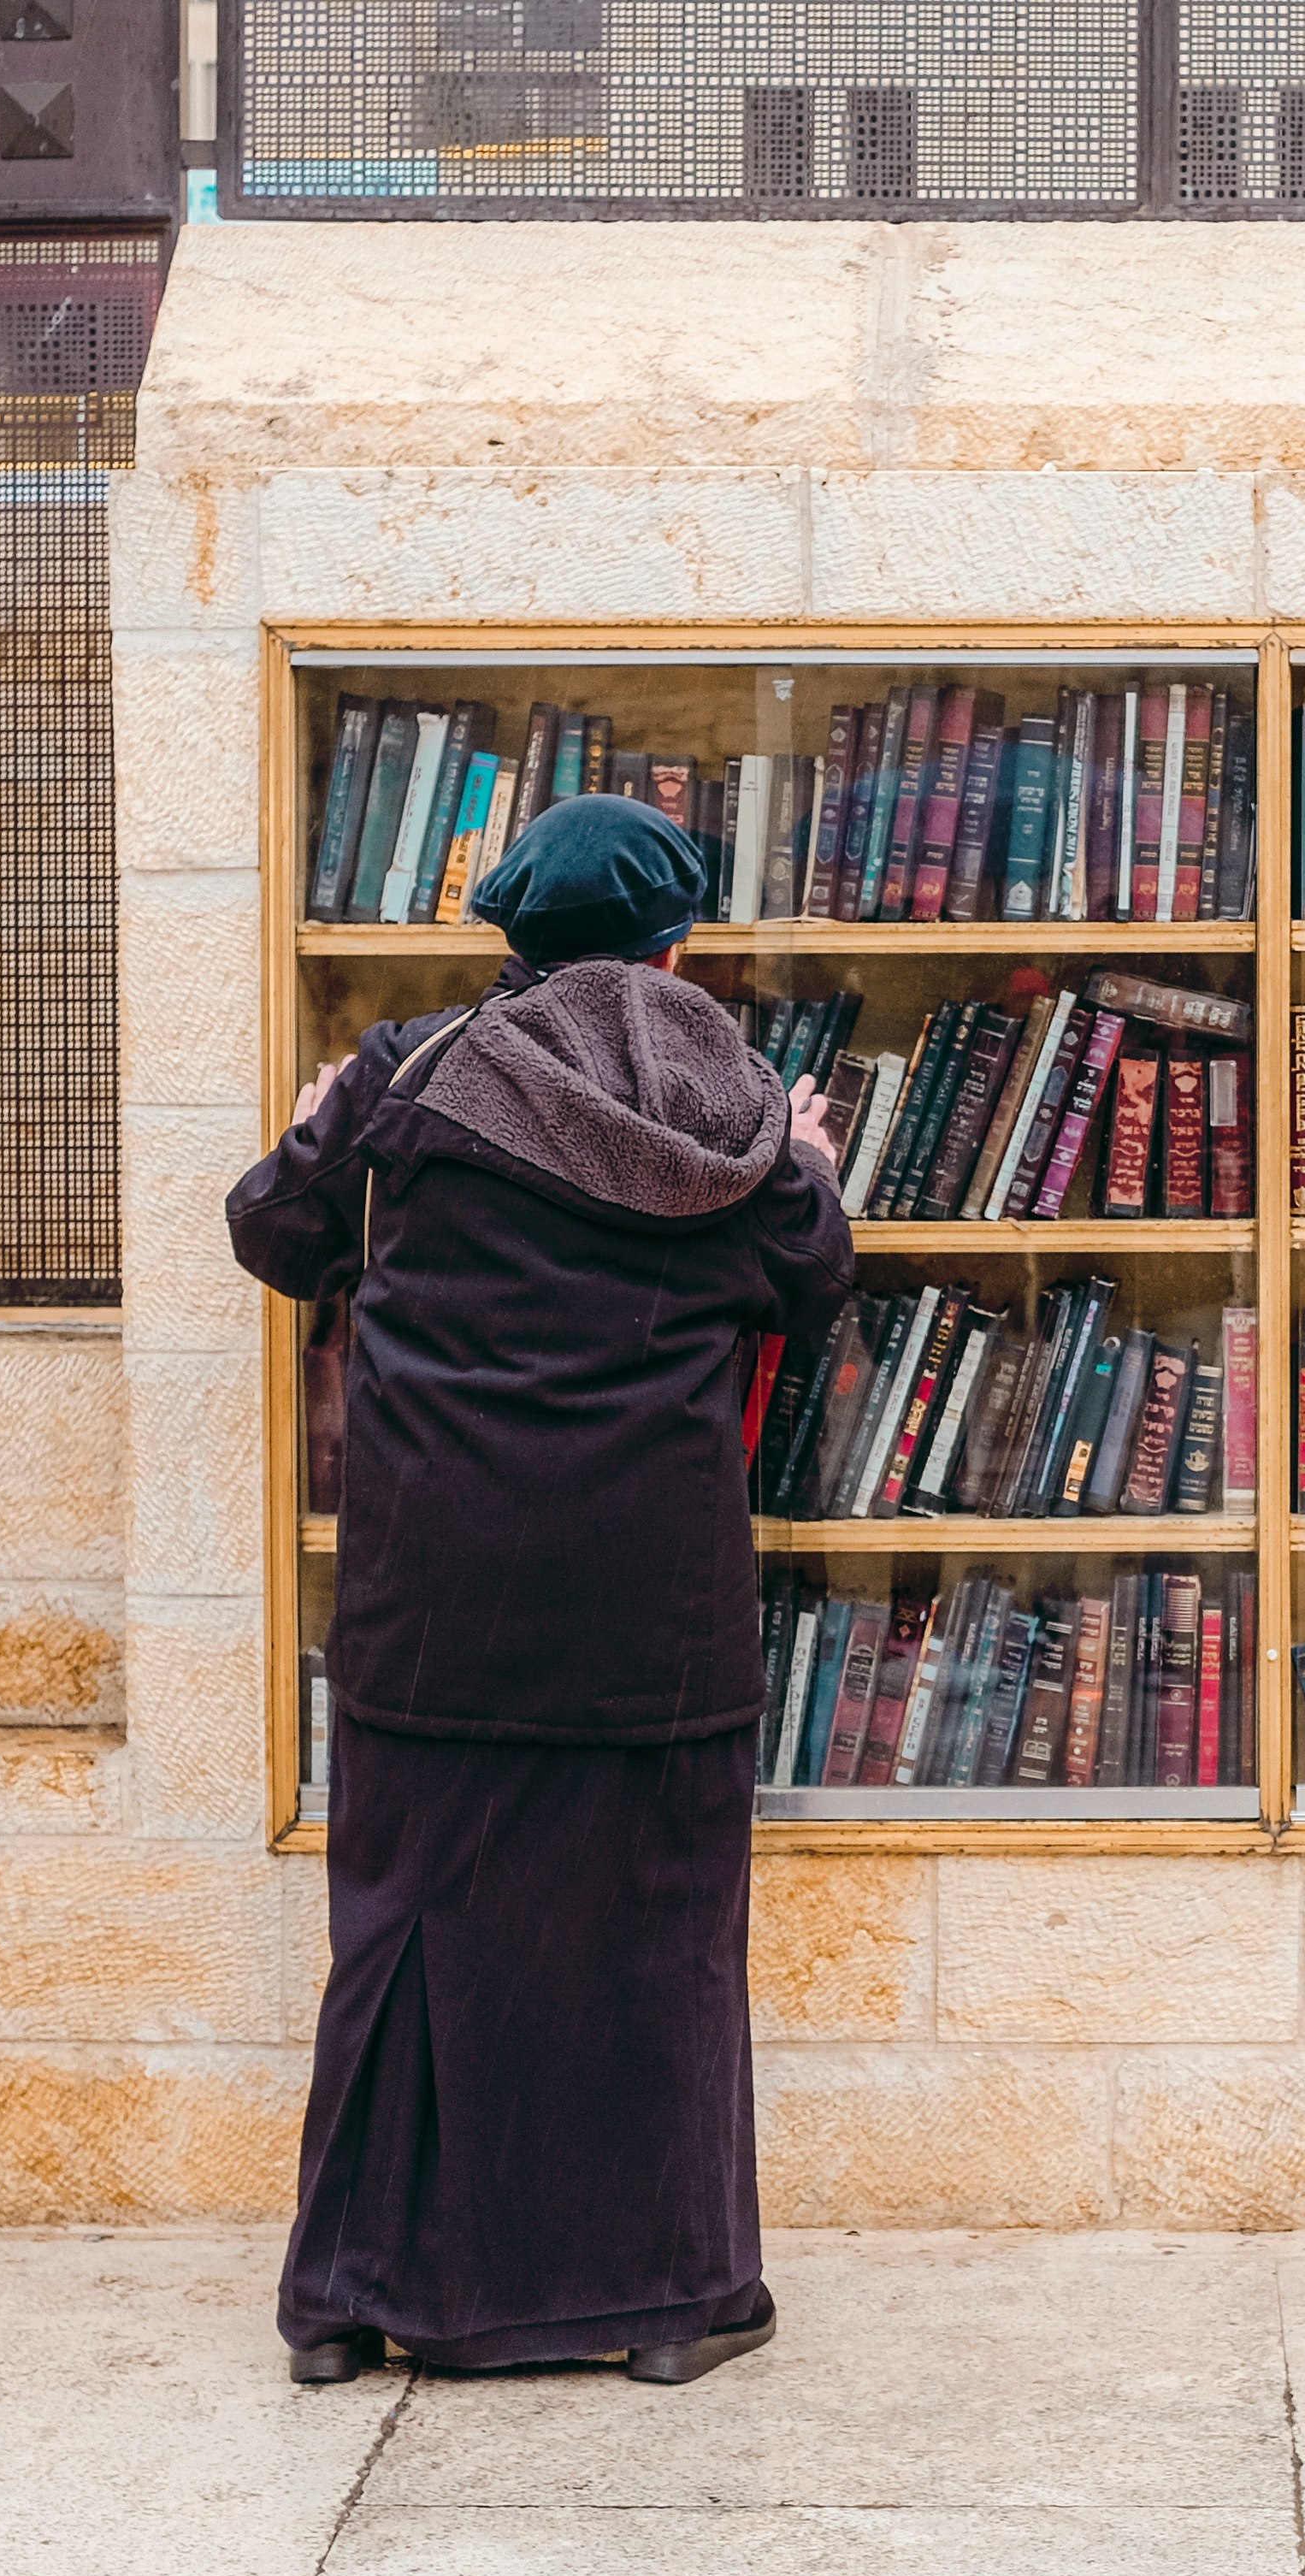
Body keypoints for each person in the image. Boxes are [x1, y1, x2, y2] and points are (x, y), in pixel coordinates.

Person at [228, 791, 853, 2387]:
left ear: (506, 934)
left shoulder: (409, 1076)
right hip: (651, 1606)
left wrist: (319, 1124)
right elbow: (806, 1279)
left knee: (403, 1931)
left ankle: (350, 2306)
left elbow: (273, 1233)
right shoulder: (739, 1100)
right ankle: (665, 2306)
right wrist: (817, 1171)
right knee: (657, 1948)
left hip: (433, 1597)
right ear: (680, 939)